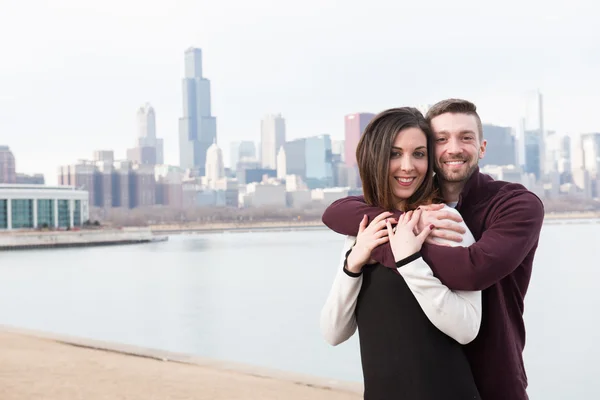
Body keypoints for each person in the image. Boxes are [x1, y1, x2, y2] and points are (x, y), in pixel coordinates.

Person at [322, 99, 545, 400]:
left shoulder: (461, 219)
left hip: (494, 384)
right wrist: (355, 261)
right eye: (441, 139)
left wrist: (405, 256)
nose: (453, 148)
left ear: (482, 147)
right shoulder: (370, 227)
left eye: (466, 137)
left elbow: (473, 270)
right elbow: (335, 211)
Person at [320, 107, 482, 399]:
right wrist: (354, 263)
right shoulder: (365, 229)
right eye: (395, 154)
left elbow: (467, 328)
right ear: (374, 159)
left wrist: (409, 261)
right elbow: (333, 333)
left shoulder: (442, 222)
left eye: (419, 154)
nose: (408, 166)